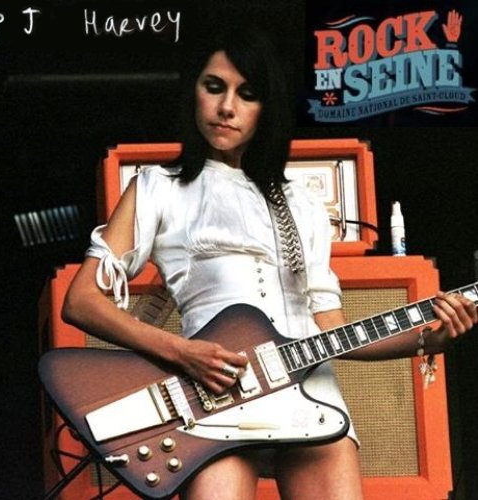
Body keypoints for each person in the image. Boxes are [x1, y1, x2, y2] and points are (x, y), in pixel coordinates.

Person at [62, 25, 477, 500]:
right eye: (214, 87)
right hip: (215, 398)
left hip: (311, 395)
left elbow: (331, 328)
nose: (227, 107)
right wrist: (181, 353)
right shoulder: (158, 187)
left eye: (248, 94)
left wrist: (428, 338)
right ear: (193, 91)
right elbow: (81, 301)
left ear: (268, 107)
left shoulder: (302, 205)